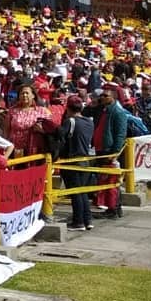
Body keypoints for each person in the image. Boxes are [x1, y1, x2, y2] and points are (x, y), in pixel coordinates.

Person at [58, 95, 95, 231]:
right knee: (83, 191)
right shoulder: (89, 122)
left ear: (68, 108)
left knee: (75, 192)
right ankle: (87, 219)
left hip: (72, 161)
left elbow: (60, 135)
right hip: (85, 160)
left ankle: (78, 222)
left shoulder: (70, 122)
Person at [93, 84, 128, 219]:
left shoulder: (118, 112)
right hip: (101, 150)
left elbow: (120, 134)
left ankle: (114, 208)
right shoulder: (104, 110)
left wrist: (115, 153)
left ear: (113, 97)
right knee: (105, 181)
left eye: (105, 96)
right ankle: (110, 207)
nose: (102, 97)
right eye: (101, 95)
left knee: (112, 182)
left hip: (109, 152)